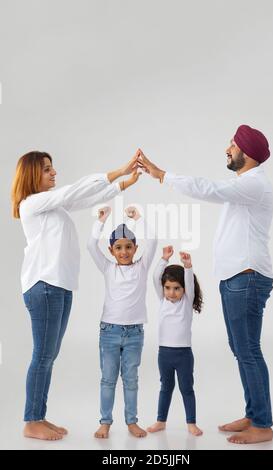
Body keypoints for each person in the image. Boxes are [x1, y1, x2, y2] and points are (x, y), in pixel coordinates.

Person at [137, 124, 273, 445]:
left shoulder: (254, 184)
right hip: (237, 278)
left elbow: (206, 188)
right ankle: (254, 414)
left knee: (248, 351)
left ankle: (263, 424)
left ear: (247, 153)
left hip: (247, 278)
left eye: (233, 145)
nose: (227, 149)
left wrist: (162, 175)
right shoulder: (246, 184)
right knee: (242, 351)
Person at [11, 150, 140, 441]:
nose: (54, 173)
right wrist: (118, 170)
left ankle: (39, 416)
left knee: (49, 355)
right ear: (32, 174)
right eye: (46, 169)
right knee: (43, 355)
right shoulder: (32, 203)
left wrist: (122, 185)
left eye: (52, 168)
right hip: (44, 287)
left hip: (59, 287)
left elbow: (83, 198)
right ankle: (32, 420)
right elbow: (76, 189)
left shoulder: (53, 206)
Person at [87, 205, 157, 438]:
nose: (124, 251)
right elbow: (90, 246)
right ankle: (105, 422)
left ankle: (131, 421)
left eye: (129, 247)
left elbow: (153, 240)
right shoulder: (108, 268)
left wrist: (138, 218)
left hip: (135, 333)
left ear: (136, 248)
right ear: (111, 250)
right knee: (108, 379)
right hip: (109, 331)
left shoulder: (142, 267)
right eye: (119, 247)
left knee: (131, 379)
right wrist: (101, 221)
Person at [147, 246, 203, 437]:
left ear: (184, 290)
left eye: (177, 288)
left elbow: (189, 281)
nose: (171, 293)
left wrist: (188, 266)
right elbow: (155, 277)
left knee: (186, 388)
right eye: (168, 288)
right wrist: (163, 259)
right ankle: (160, 421)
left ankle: (191, 423)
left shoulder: (186, 302)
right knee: (166, 387)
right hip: (164, 354)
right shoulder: (162, 300)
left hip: (183, 355)